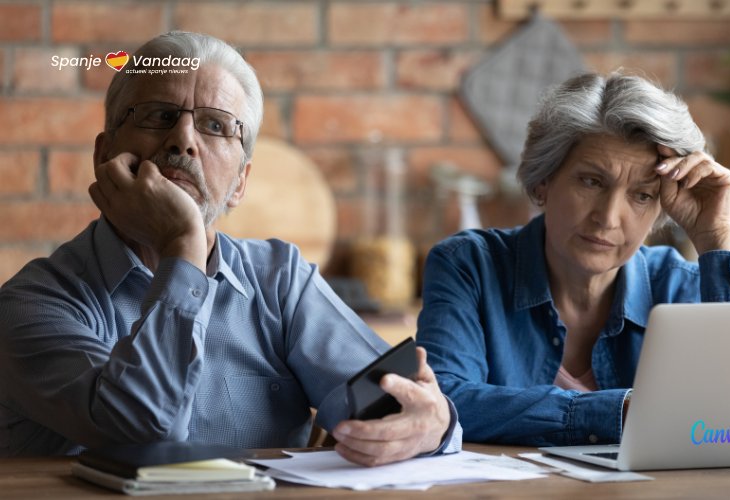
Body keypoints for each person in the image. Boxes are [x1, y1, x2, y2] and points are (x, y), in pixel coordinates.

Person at [0, 31, 460, 464]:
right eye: (159, 115)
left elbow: (392, 399)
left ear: (240, 182)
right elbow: (142, 437)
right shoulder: (32, 304)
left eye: (215, 125)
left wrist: (434, 424)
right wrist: (183, 246)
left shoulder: (280, 280)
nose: (183, 139)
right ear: (104, 155)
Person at [416, 71, 730, 447]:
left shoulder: (679, 285)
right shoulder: (469, 265)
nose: (608, 218)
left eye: (642, 195)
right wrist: (621, 412)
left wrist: (717, 239)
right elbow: (443, 401)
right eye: (592, 182)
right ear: (543, 182)